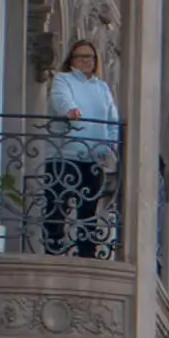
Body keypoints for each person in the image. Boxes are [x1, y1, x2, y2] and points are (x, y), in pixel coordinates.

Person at [44, 39, 122, 255]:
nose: (86, 61)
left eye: (90, 57)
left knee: (88, 210)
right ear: (72, 59)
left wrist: (110, 148)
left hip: (93, 157)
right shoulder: (63, 79)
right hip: (64, 154)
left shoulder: (102, 87)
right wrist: (71, 110)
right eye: (81, 56)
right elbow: (61, 98)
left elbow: (112, 119)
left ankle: (87, 251)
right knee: (57, 204)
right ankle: (53, 248)